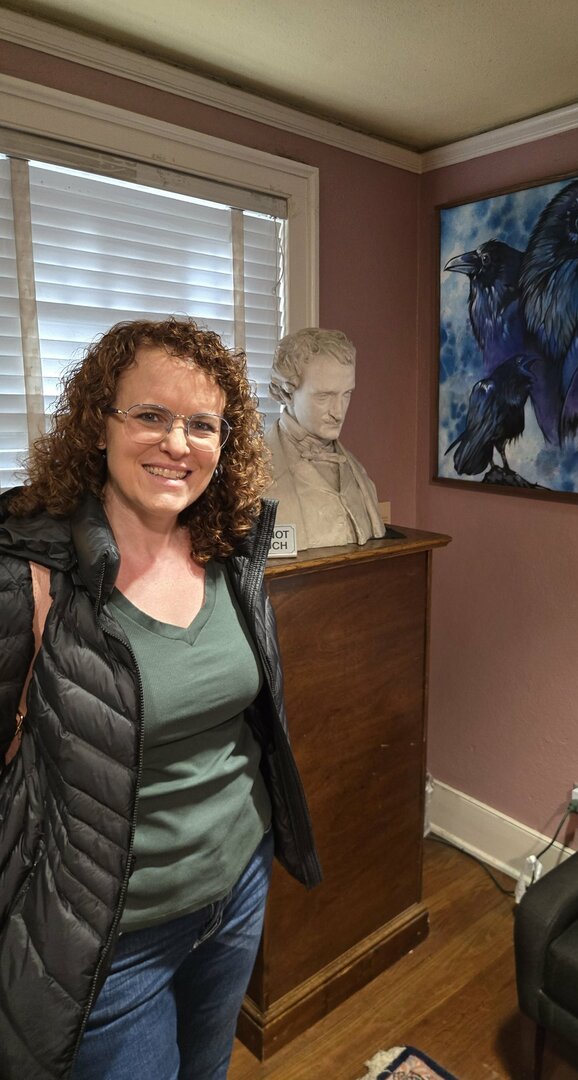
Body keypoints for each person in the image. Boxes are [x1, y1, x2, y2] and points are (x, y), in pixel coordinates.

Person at [0, 317, 321, 1080]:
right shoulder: (29, 574)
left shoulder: (230, 547)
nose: (178, 444)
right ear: (98, 424)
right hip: (109, 939)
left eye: (202, 425)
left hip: (237, 889)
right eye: (150, 415)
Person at [265, 328, 386, 550]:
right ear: (288, 393)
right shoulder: (253, 474)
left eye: (346, 394)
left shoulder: (358, 473)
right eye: (324, 396)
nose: (338, 413)